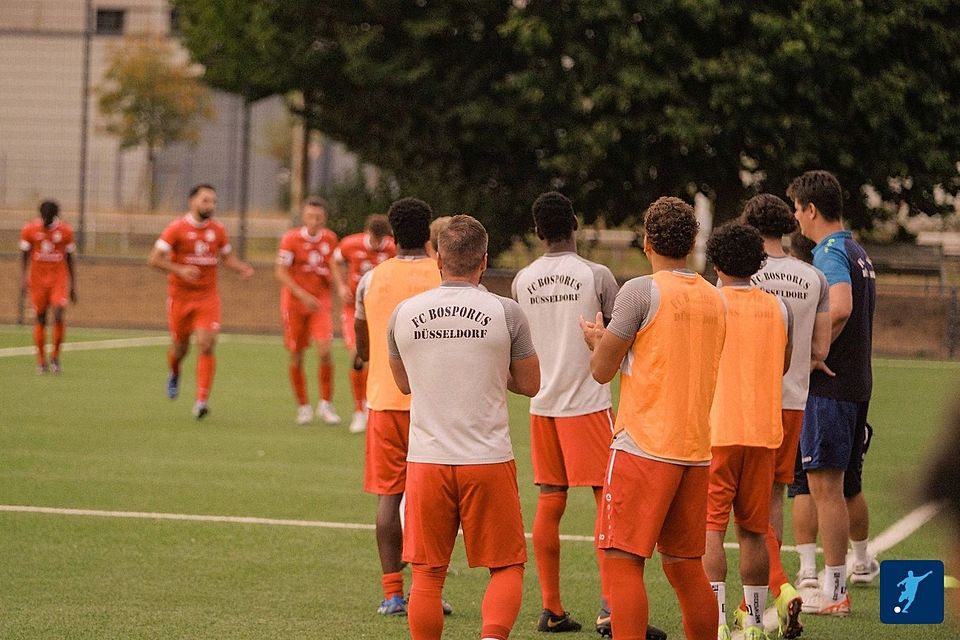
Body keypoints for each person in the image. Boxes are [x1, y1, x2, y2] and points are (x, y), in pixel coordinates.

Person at [513, 192, 665, 638]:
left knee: (550, 500)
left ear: (538, 231)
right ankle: (610, 610)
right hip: (588, 403)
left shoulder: (522, 279)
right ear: (575, 225)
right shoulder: (594, 274)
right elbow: (623, 333)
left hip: (543, 405)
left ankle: (551, 608)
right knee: (607, 502)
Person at [387, 214, 540, 640]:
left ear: (438, 259)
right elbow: (530, 383)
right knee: (506, 565)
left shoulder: (403, 314)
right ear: (484, 261)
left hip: (427, 460)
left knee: (429, 574)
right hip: (487, 458)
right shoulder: (506, 311)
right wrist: (493, 370)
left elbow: (404, 383)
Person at [581, 196, 726, 640]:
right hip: (694, 450)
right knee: (685, 568)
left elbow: (602, 369)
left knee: (623, 562)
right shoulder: (714, 297)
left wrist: (597, 340)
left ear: (646, 242)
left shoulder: (640, 291)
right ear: (692, 243)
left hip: (644, 444)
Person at [729, 193, 831, 638]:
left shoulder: (740, 272)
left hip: (743, 401)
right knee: (771, 501)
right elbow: (820, 350)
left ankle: (776, 587)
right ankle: (764, 593)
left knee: (736, 511)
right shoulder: (813, 277)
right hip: (792, 401)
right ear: (788, 226)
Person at [788, 170, 877, 615]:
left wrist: (811, 352)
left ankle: (835, 591)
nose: (795, 219)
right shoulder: (856, 248)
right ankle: (844, 578)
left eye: (797, 209)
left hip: (832, 386)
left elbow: (839, 306)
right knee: (840, 488)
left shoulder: (829, 251)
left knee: (825, 489)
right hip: (856, 382)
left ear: (811, 209)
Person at [702, 222, 792, 640]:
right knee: (755, 532)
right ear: (759, 262)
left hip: (717, 429)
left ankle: (717, 618)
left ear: (716, 262)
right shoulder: (779, 308)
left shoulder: (709, 303)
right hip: (762, 431)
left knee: (711, 530)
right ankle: (754, 620)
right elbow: (784, 362)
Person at [355, 197, 442, 616]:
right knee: (434, 497)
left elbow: (362, 337)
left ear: (392, 234)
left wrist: (361, 354)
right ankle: (429, 592)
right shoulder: (444, 274)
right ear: (428, 232)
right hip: (438, 402)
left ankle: (392, 594)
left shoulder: (371, 279)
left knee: (390, 497)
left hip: (386, 401)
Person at [148, 184, 254, 419]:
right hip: (180, 298)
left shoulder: (218, 230)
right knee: (180, 348)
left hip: (207, 297)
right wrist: (179, 269)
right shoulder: (176, 228)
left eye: (213, 201)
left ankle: (201, 400)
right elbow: (154, 259)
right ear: (192, 202)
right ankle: (174, 371)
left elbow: (227, 258)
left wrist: (242, 268)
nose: (210, 205)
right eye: (205, 201)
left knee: (206, 343)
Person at [275, 198, 344, 426]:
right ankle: (303, 406)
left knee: (325, 351)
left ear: (323, 218)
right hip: (295, 305)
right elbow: (281, 273)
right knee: (297, 354)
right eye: (310, 217)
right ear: (304, 217)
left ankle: (325, 404)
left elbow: (334, 266)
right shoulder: (291, 239)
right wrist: (302, 294)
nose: (314, 221)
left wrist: (341, 286)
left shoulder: (330, 239)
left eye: (318, 217)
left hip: (320, 304)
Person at [333, 214, 396, 432]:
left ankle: (370, 405)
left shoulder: (392, 248)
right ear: (367, 233)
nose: (379, 243)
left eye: (382, 239)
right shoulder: (350, 244)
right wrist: (341, 286)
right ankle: (359, 410)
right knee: (357, 355)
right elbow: (335, 260)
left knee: (379, 360)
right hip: (354, 309)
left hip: (379, 310)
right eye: (375, 238)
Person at [19, 200, 77, 374]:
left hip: (58, 279)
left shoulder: (65, 231)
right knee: (41, 318)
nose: (45, 220)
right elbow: (24, 254)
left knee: (59, 312)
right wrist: (23, 278)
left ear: (55, 216)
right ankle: (41, 361)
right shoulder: (30, 229)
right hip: (37, 281)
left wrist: (73, 285)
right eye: (43, 216)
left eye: (48, 217)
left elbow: (70, 258)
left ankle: (55, 358)